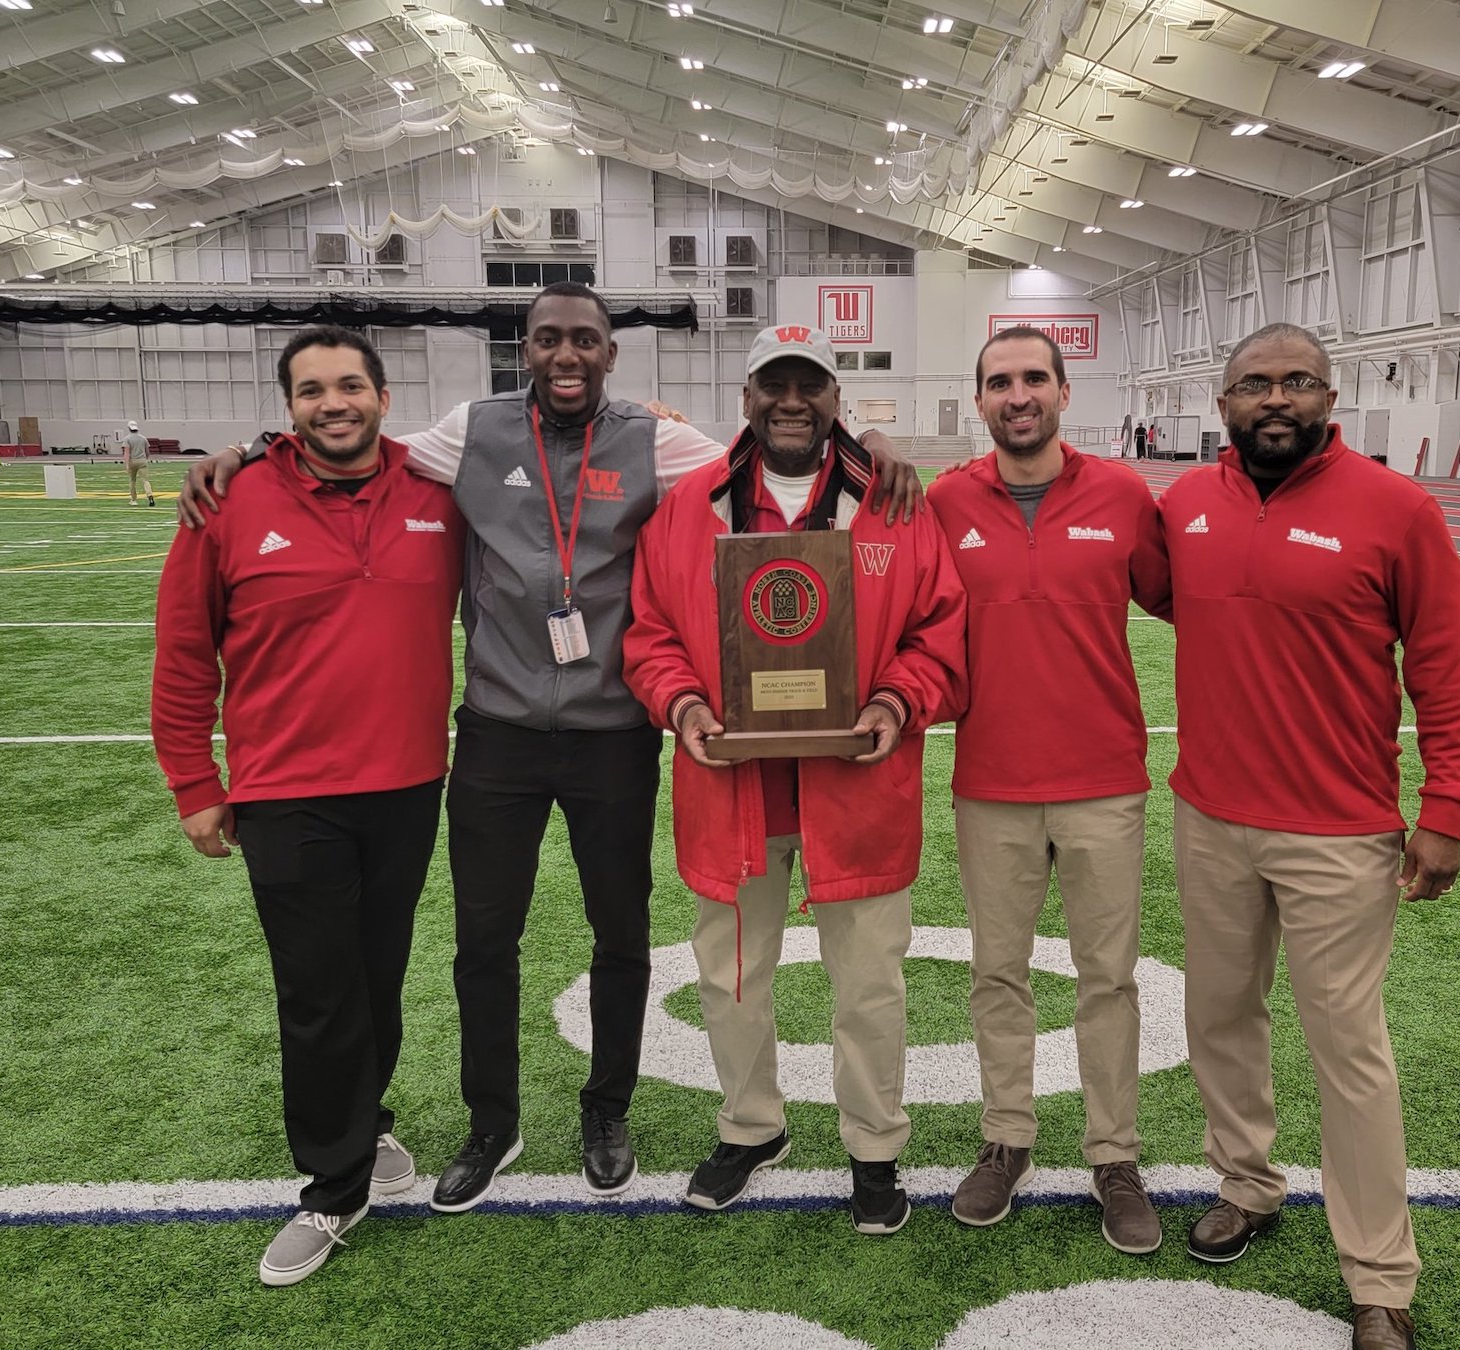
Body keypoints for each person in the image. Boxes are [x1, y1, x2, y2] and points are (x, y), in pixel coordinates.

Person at [174, 284, 923, 1212]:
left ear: (612, 355)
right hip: (498, 734)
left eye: (586, 341)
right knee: (484, 939)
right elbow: (351, 434)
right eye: (547, 340)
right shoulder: (470, 432)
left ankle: (606, 1111)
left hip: (613, 735)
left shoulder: (657, 441)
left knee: (621, 937)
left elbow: (765, 450)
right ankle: (493, 1122)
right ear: (522, 349)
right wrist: (248, 450)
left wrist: (874, 445)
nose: (566, 355)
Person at [1158, 323, 1460, 1350]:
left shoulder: (1397, 510)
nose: (1278, 400)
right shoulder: (1185, 508)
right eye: (1256, 384)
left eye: (1298, 382)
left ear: (1331, 398)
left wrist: (1446, 808)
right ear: (1224, 404)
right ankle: (1247, 1187)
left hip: (1341, 833)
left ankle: (1380, 1275)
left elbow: (1442, 660)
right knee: (1219, 1020)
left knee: (1350, 1049)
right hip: (1209, 818)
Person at [623, 324, 967, 1235]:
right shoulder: (689, 503)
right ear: (745, 399)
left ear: (833, 398)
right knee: (733, 980)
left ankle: (875, 1148)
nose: (789, 401)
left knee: (869, 987)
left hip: (857, 790)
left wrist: (896, 704)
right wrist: (683, 706)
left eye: (808, 385)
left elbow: (940, 632)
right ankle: (750, 1126)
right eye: (772, 384)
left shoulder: (890, 502)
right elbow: (650, 631)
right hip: (731, 791)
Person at [151, 326, 463, 1285]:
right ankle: (334, 1189)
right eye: (311, 390)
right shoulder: (229, 501)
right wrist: (194, 784)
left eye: (350, 385)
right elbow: (182, 652)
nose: (334, 403)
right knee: (320, 990)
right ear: (287, 407)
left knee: (375, 974)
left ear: (382, 395)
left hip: (409, 783)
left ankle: (366, 1126)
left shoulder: (438, 490)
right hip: (287, 794)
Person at [926, 327, 1170, 1248]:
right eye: (999, 382)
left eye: (1034, 378)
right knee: (1000, 973)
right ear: (980, 401)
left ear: (1065, 392)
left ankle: (1113, 1156)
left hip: (1105, 781)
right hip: (990, 781)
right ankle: (1006, 1140)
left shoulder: (1121, 493)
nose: (1017, 394)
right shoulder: (947, 502)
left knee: (1108, 979)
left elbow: (1190, 600)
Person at [123, 419, 156, 507]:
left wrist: (126, 464)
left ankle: (133, 500)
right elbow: (147, 451)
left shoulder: (127, 439)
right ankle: (150, 496)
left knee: (132, 481)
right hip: (142, 460)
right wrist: (145, 459)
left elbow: (126, 452)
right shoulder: (143, 438)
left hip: (132, 461)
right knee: (145, 480)